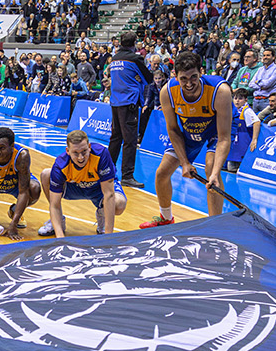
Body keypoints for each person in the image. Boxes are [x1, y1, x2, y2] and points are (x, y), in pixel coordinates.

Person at [141, 49, 233, 226]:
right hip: (189, 127)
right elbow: (173, 130)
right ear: (175, 75)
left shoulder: (220, 91)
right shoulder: (167, 92)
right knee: (162, 173)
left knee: (210, 169)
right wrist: (184, 163)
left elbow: (223, 138)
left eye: (193, 77)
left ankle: (214, 227)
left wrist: (214, 174)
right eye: (184, 78)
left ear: (201, 72)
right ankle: (166, 218)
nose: (189, 83)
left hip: (216, 127)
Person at [37, 129, 126, 237]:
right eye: (76, 153)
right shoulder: (60, 165)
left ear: (89, 147)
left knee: (119, 203)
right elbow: (54, 205)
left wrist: (108, 237)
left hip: (98, 188)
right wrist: (60, 239)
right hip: (75, 188)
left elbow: (109, 194)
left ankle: (103, 215)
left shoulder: (101, 154)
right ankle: (57, 221)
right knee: (46, 174)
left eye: (84, 151)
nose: (81, 157)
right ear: (68, 151)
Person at [105, 32, 152, 187]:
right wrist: (137, 78)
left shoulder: (115, 58)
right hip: (129, 103)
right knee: (130, 140)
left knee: (115, 138)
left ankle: (107, 171)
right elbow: (149, 79)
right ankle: (127, 176)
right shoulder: (135, 58)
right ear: (134, 44)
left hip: (115, 102)